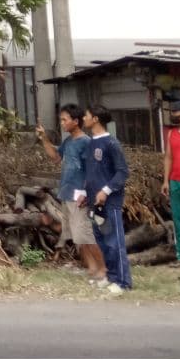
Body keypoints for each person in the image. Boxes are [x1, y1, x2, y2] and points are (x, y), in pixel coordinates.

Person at [36, 104, 106, 283]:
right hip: (66, 194)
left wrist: (85, 192)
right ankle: (91, 269)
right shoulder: (68, 142)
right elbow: (55, 157)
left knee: (86, 234)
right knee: (76, 236)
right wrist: (44, 138)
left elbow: (92, 170)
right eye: (61, 119)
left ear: (76, 121)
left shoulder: (86, 142)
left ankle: (103, 269)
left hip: (80, 196)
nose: (62, 123)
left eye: (64, 120)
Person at [81, 105, 131, 294]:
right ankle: (111, 277)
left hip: (110, 202)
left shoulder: (111, 144)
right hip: (94, 203)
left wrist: (106, 191)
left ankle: (123, 282)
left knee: (114, 242)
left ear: (95, 119)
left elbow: (122, 172)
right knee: (102, 241)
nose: (83, 118)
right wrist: (86, 194)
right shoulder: (91, 142)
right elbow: (92, 173)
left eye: (85, 115)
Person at [162, 99, 180, 268]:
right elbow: (168, 158)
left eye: (175, 112)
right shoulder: (172, 133)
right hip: (176, 182)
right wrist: (165, 181)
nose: (172, 115)